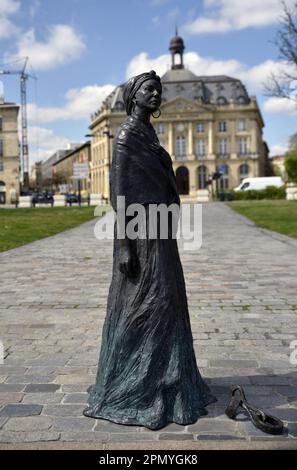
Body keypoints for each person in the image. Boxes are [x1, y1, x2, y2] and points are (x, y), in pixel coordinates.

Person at [83, 70, 216, 430]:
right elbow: (120, 193)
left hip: (159, 231)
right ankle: (139, 383)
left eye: (159, 90)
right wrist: (125, 245)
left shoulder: (147, 132)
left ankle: (168, 377)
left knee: (167, 301)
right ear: (134, 96)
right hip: (140, 234)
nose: (156, 95)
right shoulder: (127, 135)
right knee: (149, 304)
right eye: (149, 90)